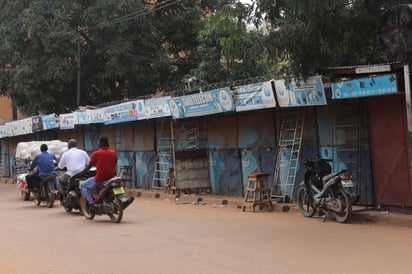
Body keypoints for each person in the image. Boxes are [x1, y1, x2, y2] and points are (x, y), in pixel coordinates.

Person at [80, 136, 117, 209]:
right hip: (111, 177)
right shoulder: (113, 152)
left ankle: (91, 204)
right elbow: (114, 164)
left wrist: (83, 172)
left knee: (82, 186)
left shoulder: (96, 153)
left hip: (100, 178)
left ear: (100, 143)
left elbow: (89, 165)